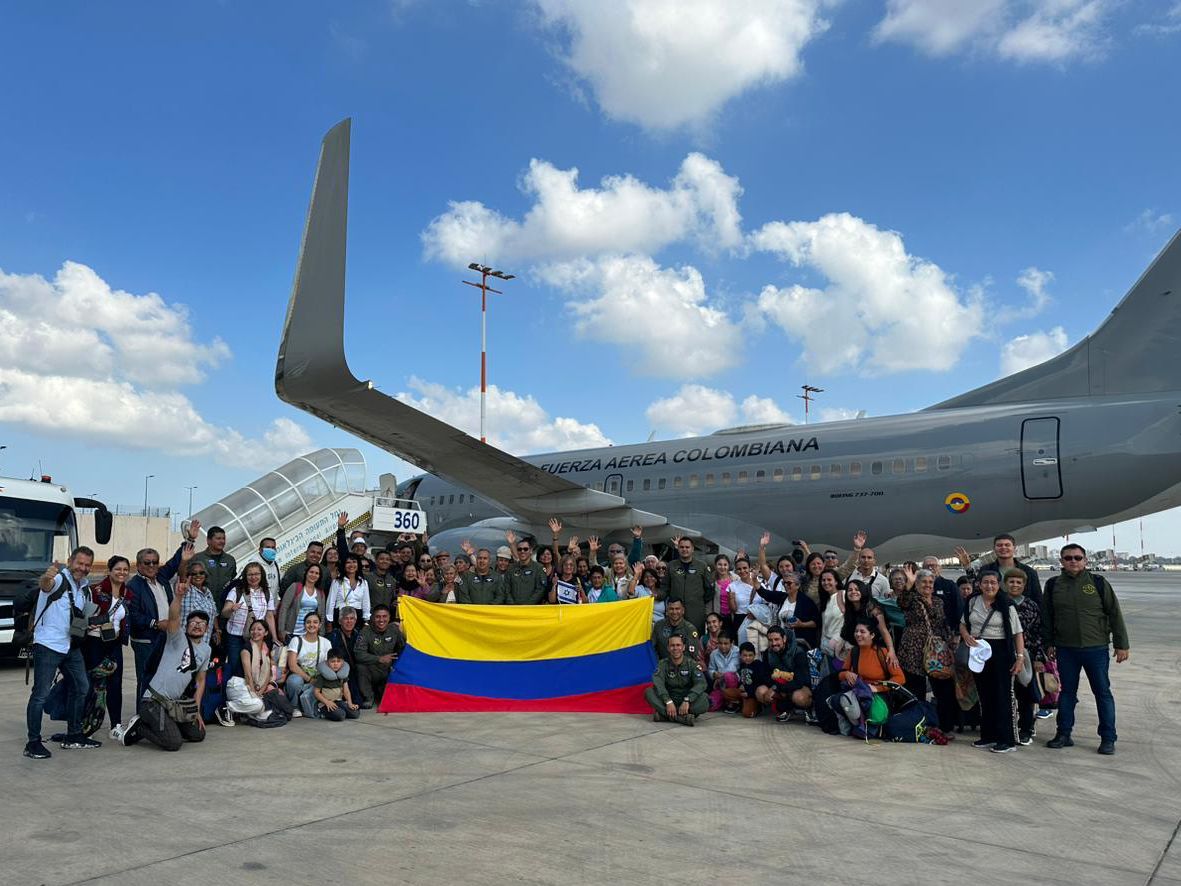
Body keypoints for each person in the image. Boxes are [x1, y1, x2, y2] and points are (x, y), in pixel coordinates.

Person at [1042, 544, 1129, 755]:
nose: (1073, 561)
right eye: (1068, 558)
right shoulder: (1054, 585)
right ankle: (1063, 733)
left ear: (1085, 561)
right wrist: (1048, 643)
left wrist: (1121, 644)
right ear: (1061, 561)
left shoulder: (1098, 583)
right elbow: (1047, 617)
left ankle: (1108, 738)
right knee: (1067, 694)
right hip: (1066, 649)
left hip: (1096, 648)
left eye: (1077, 558)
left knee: (1102, 693)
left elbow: (1114, 613)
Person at [24, 548, 100, 758]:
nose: (83, 568)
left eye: (87, 565)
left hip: (70, 646)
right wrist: (47, 577)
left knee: (81, 687)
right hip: (48, 644)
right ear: (70, 561)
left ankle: (74, 735)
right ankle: (32, 743)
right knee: (40, 694)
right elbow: (46, 586)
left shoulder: (83, 588)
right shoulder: (59, 579)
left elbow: (78, 616)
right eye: (80, 563)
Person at [118, 582, 210, 751]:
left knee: (198, 734)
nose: (197, 625)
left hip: (174, 705)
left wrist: (196, 710)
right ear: (186, 625)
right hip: (153, 701)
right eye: (193, 622)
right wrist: (179, 596)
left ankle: (166, 724)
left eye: (201, 623)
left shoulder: (206, 649)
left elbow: (201, 680)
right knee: (174, 743)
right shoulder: (177, 638)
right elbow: (173, 616)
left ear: (207, 628)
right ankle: (140, 726)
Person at [960, 572, 1025, 753]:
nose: (989, 586)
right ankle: (988, 736)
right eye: (986, 582)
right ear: (979, 585)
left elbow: (1018, 633)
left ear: (999, 585)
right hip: (979, 651)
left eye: (993, 583)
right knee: (985, 695)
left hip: (1001, 651)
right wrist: (965, 635)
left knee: (1002, 696)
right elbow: (963, 623)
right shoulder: (972, 602)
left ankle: (1006, 739)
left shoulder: (1006, 605)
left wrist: (1019, 658)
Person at [128, 536, 193, 704]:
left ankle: (157, 716)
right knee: (146, 679)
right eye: (147, 563)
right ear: (139, 565)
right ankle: (141, 718)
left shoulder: (161, 578)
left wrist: (190, 539)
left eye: (155, 562)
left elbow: (175, 561)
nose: (151, 566)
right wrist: (156, 624)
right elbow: (133, 615)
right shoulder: (133, 586)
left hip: (166, 637)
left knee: (163, 677)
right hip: (146, 640)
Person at [896, 567, 958, 734]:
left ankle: (945, 726)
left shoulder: (938, 601)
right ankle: (918, 724)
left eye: (931, 582)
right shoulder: (911, 599)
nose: (928, 585)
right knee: (916, 689)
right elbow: (902, 601)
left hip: (937, 651)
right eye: (924, 581)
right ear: (916, 583)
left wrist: (950, 644)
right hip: (914, 649)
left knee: (944, 689)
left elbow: (943, 624)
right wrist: (908, 584)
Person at [82, 554, 130, 741]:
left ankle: (115, 726)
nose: (122, 573)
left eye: (125, 569)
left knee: (115, 685)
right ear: (109, 571)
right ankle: (88, 727)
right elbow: (83, 615)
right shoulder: (95, 591)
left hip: (115, 643)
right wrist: (91, 624)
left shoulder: (128, 594)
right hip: (94, 643)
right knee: (94, 686)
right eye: (118, 569)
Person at [1004, 568, 1045, 746]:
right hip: (1004, 653)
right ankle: (1008, 726)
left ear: (1024, 585)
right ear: (1005, 584)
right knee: (1005, 693)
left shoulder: (1031, 605)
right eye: (1011, 582)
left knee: (1026, 694)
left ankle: (1026, 728)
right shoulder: (1000, 603)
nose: (1014, 585)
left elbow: (1037, 633)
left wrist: (1038, 658)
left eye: (1018, 582)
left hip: (1026, 655)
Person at [221, 562, 278, 678]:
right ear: (245, 576)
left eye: (256, 574)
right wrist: (231, 609)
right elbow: (224, 613)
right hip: (235, 636)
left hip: (256, 637)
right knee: (235, 667)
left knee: (254, 667)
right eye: (250, 575)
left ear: (261, 575)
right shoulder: (236, 591)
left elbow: (269, 616)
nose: (253, 577)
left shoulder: (267, 593)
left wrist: (275, 637)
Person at [958, 534, 1044, 608]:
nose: (1003, 547)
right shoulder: (986, 569)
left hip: (1023, 619)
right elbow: (978, 590)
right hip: (995, 618)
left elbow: (1038, 599)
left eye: (1007, 545)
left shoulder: (1029, 572)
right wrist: (967, 567)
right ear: (994, 549)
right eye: (999, 545)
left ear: (1014, 548)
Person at [645, 634, 708, 725]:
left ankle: (665, 715)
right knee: (649, 692)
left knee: (704, 700)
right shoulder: (663, 664)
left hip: (687, 701)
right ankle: (682, 718)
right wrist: (668, 701)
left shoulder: (692, 664)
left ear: (683, 647)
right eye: (672, 645)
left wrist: (688, 700)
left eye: (678, 645)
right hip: (669, 700)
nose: (675, 648)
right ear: (668, 648)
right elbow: (658, 683)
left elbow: (701, 683)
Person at [754, 568, 821, 650]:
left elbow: (816, 622)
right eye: (784, 583)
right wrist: (754, 580)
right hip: (782, 645)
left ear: (798, 585)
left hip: (799, 644)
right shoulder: (782, 597)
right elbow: (765, 593)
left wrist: (802, 624)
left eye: (789, 583)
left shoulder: (806, 602)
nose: (785, 585)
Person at [840, 580, 898, 667]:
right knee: (840, 664)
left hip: (876, 647)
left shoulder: (872, 607)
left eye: (857, 589)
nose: (853, 592)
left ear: (863, 591)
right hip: (859, 645)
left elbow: (883, 630)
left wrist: (891, 651)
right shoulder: (850, 608)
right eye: (850, 590)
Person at [355, 605, 404, 708]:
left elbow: (402, 649)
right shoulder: (366, 631)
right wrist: (379, 659)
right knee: (360, 667)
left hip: (389, 670)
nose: (381, 620)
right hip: (373, 670)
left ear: (389, 617)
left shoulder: (394, 629)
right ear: (372, 617)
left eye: (384, 616)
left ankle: (383, 694)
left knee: (388, 701)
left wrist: (396, 665)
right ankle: (369, 697)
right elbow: (358, 654)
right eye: (378, 617)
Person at [666, 537, 714, 638]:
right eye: (682, 547)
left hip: (696, 612)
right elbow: (665, 587)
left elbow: (710, 589)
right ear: (678, 549)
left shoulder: (702, 566)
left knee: (695, 637)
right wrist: (656, 595)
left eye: (687, 547)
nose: (684, 549)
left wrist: (698, 601)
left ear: (692, 549)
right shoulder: (671, 566)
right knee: (676, 639)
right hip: (676, 612)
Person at [284, 612, 331, 715]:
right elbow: (292, 665)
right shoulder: (296, 640)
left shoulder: (326, 643)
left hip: (318, 677)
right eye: (308, 622)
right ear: (304, 624)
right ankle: (294, 706)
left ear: (320, 625)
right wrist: (309, 679)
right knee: (294, 681)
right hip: (301, 675)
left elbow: (329, 665)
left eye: (315, 622)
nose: (311, 625)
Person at [836, 621, 906, 690]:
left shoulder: (882, 652)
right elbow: (840, 675)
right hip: (859, 692)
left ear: (872, 635)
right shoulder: (854, 651)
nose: (858, 634)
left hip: (879, 696)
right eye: (856, 631)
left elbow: (900, 678)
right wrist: (846, 674)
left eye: (862, 632)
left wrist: (877, 688)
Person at [764, 626, 812, 722]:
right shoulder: (767, 653)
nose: (773, 643)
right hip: (780, 685)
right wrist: (774, 687)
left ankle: (809, 709)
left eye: (777, 639)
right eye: (770, 640)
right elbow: (766, 675)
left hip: (799, 686)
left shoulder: (798, 652)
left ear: (784, 639)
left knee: (800, 698)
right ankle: (786, 709)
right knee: (764, 694)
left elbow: (801, 680)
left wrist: (778, 688)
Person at [277, 563, 326, 644]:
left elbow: (322, 615)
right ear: (306, 573)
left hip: (310, 634)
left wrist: (321, 634)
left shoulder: (320, 593)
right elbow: (284, 608)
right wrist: (281, 630)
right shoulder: (295, 587)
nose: (313, 575)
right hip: (292, 632)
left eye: (317, 573)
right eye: (311, 572)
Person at [178, 558, 219, 652]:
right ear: (189, 576)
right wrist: (184, 560)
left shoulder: (208, 592)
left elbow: (214, 612)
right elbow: (182, 575)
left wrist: (217, 630)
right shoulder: (187, 589)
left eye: (201, 573)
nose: (198, 575)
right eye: (194, 573)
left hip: (204, 641)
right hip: (185, 642)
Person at [310, 649, 361, 721]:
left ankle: (340, 710)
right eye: (332, 661)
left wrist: (350, 703)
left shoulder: (343, 675)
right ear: (327, 662)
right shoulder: (322, 676)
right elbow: (316, 692)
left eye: (338, 661)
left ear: (342, 662)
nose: (335, 664)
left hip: (339, 701)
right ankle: (322, 712)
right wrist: (327, 702)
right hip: (325, 703)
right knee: (340, 716)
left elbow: (346, 691)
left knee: (355, 713)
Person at [727, 641, 774, 718]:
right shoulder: (742, 665)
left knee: (747, 713)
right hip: (743, 692)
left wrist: (749, 693)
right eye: (745, 655)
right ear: (740, 656)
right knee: (727, 693)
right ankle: (740, 704)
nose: (747, 658)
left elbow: (760, 683)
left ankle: (757, 707)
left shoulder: (758, 665)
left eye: (750, 655)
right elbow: (741, 679)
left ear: (754, 655)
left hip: (752, 694)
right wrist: (740, 685)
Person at [194, 523, 237, 606]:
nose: (222, 541)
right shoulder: (198, 558)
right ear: (208, 540)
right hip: (203, 604)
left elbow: (232, 579)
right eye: (218, 538)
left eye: (223, 538)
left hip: (224, 606)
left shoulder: (230, 560)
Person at [329, 606, 364, 705]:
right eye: (346, 618)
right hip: (342, 670)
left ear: (356, 620)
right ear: (340, 621)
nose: (349, 621)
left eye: (352, 618)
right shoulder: (334, 636)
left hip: (357, 669)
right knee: (357, 702)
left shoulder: (359, 635)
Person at [326, 553, 371, 630]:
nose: (351, 565)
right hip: (341, 615)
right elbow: (331, 602)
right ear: (344, 565)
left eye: (354, 562)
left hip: (358, 617)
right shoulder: (337, 582)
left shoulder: (363, 582)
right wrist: (329, 621)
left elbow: (366, 603)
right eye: (348, 562)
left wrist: (366, 620)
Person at [503, 534, 547, 605]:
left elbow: (540, 590)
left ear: (531, 551)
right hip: (513, 609)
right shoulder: (511, 569)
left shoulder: (538, 568)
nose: (522, 551)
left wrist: (527, 606)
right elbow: (506, 589)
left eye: (525, 549)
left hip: (531, 610)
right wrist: (512, 604)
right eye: (519, 549)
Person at [922, 556, 963, 631]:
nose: (930, 568)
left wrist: (957, 632)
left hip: (946, 632)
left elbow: (959, 609)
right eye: (927, 566)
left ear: (939, 568)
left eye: (933, 565)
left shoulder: (950, 585)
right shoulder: (917, 587)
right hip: (923, 633)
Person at [817, 568, 847, 659]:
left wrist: (838, 638)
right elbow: (825, 627)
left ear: (836, 582)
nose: (826, 582)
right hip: (827, 648)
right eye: (823, 580)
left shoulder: (843, 595)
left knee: (842, 671)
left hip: (842, 646)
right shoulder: (825, 600)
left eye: (829, 579)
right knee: (832, 671)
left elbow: (851, 619)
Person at [707, 632, 740, 712]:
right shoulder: (714, 654)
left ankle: (733, 702)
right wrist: (714, 674)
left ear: (732, 643)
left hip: (735, 685)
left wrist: (719, 678)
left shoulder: (737, 651)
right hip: (721, 686)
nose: (722, 646)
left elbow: (732, 668)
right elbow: (710, 669)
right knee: (710, 705)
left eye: (726, 643)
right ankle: (725, 701)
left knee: (728, 676)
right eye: (720, 643)